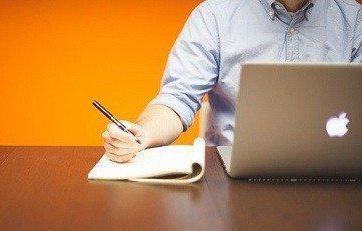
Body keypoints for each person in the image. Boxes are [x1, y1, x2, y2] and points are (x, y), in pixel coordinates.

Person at [102, 0, 362, 163]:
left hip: (334, 175)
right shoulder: (214, 15)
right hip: (232, 181)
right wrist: (141, 134)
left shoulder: (354, 19)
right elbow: (176, 100)